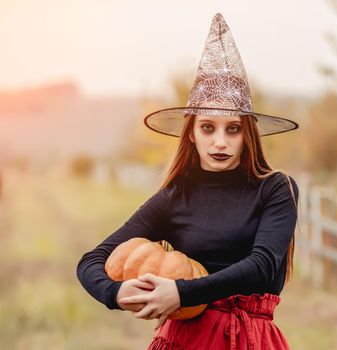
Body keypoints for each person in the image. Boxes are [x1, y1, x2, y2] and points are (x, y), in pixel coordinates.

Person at [77, 13, 300, 349]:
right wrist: (116, 292)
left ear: (247, 135)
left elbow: (261, 265)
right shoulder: (176, 197)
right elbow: (92, 260)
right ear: (192, 135)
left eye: (233, 129)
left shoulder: (275, 188)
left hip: (250, 339)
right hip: (185, 340)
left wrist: (181, 292)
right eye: (208, 128)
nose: (220, 142)